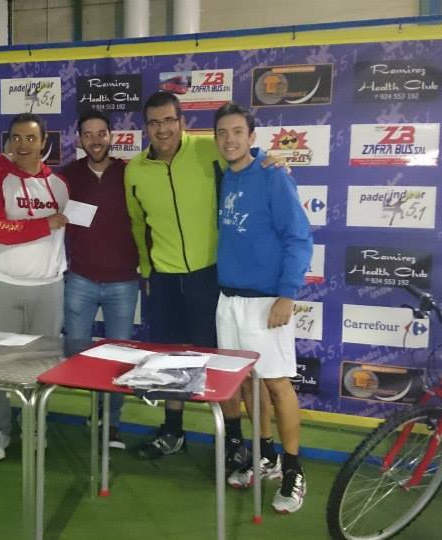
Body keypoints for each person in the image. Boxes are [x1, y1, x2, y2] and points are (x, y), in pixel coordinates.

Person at [125, 91, 288, 461]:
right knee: (170, 359)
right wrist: (147, 269)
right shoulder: (135, 170)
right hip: (164, 278)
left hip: (210, 275)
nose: (162, 129)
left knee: (220, 362)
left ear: (182, 122)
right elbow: (137, 224)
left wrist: (271, 159)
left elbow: (245, 157)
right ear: (145, 127)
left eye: (169, 120)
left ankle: (233, 439)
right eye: (154, 122)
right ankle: (173, 431)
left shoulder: (206, 149)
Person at [212, 102, 312, 514]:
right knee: (249, 383)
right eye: (222, 133)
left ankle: (294, 470)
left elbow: (299, 238)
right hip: (229, 300)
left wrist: (287, 294)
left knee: (277, 384)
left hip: (266, 302)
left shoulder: (273, 176)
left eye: (238, 131)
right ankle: (266, 455)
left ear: (252, 137)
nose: (230, 139)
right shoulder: (225, 176)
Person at [0, 113, 69, 461]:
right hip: (4, 286)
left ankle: (34, 423)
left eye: (30, 138)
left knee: (42, 363)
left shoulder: (60, 185)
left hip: (49, 288)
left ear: (44, 142)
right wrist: (45, 223)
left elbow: (78, 223)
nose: (22, 144)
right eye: (16, 137)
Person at [61, 109, 140, 450]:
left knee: (118, 358)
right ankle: (88, 409)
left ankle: (110, 423)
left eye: (101, 133)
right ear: (79, 139)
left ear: (112, 136)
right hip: (80, 279)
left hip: (123, 282)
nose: (95, 140)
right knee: (76, 352)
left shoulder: (130, 172)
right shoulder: (66, 176)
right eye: (88, 134)